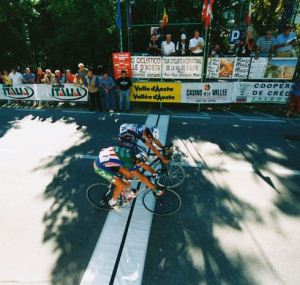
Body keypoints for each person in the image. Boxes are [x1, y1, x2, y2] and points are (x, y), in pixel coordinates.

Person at [93, 146, 165, 210]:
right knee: (120, 185)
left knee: (128, 173)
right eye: (139, 161)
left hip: (108, 160)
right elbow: (142, 178)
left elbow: (142, 164)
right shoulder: (129, 161)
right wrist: (155, 189)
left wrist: (154, 172)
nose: (140, 163)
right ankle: (112, 202)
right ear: (137, 158)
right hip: (100, 167)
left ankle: (127, 192)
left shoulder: (131, 153)